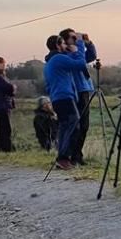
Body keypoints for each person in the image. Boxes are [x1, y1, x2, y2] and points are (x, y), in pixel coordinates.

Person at [43, 34, 87, 170]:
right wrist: (78, 46)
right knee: (73, 126)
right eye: (62, 44)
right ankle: (64, 158)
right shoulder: (59, 58)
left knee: (64, 127)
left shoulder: (50, 62)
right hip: (65, 97)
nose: (65, 46)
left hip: (57, 98)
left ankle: (62, 158)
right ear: (57, 45)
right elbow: (80, 65)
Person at [59, 29, 97, 165]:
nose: (75, 39)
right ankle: (72, 155)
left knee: (85, 125)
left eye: (76, 37)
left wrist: (88, 43)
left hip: (85, 89)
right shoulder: (65, 55)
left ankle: (77, 155)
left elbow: (91, 56)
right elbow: (79, 62)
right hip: (76, 90)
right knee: (77, 125)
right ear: (64, 40)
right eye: (72, 37)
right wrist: (80, 43)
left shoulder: (77, 52)